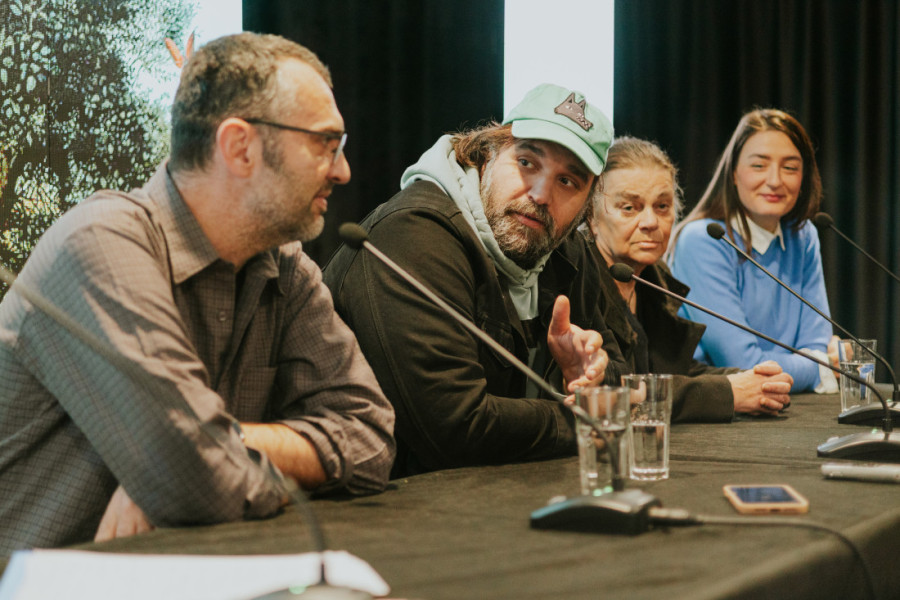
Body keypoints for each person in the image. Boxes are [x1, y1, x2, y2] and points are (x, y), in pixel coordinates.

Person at [0, 33, 395, 554]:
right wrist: (190, 471)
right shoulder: (100, 243)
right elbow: (193, 483)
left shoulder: (284, 264)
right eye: (325, 143)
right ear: (240, 147)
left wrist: (221, 448)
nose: (342, 170)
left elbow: (370, 438)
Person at [324, 83, 624, 477]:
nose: (539, 193)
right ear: (488, 153)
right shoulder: (413, 236)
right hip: (386, 511)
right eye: (528, 162)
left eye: (568, 181)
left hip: (500, 495)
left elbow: (625, 375)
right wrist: (586, 421)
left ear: (586, 205)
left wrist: (589, 375)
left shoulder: (560, 246)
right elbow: (452, 426)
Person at [584, 136, 793, 421]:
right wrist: (729, 392)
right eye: (629, 208)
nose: (650, 222)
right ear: (591, 218)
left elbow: (674, 372)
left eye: (662, 207)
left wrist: (754, 380)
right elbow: (616, 390)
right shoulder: (579, 280)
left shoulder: (655, 280)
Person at [668, 109, 835, 393]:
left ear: (804, 176)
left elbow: (816, 341)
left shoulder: (803, 236)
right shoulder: (704, 240)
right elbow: (743, 363)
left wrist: (818, 359)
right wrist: (821, 367)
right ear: (734, 173)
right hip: (721, 413)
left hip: (790, 406)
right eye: (759, 166)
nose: (774, 180)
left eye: (790, 168)